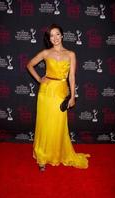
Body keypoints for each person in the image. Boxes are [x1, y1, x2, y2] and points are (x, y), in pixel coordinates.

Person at [27, 24, 90, 171]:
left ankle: (55, 154)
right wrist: (39, 79)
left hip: (61, 92)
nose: (54, 38)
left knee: (58, 125)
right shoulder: (45, 53)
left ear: (62, 35)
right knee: (44, 124)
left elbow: (72, 77)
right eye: (51, 35)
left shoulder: (70, 54)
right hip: (46, 92)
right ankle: (42, 157)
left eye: (57, 34)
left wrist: (72, 97)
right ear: (49, 38)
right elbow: (29, 65)